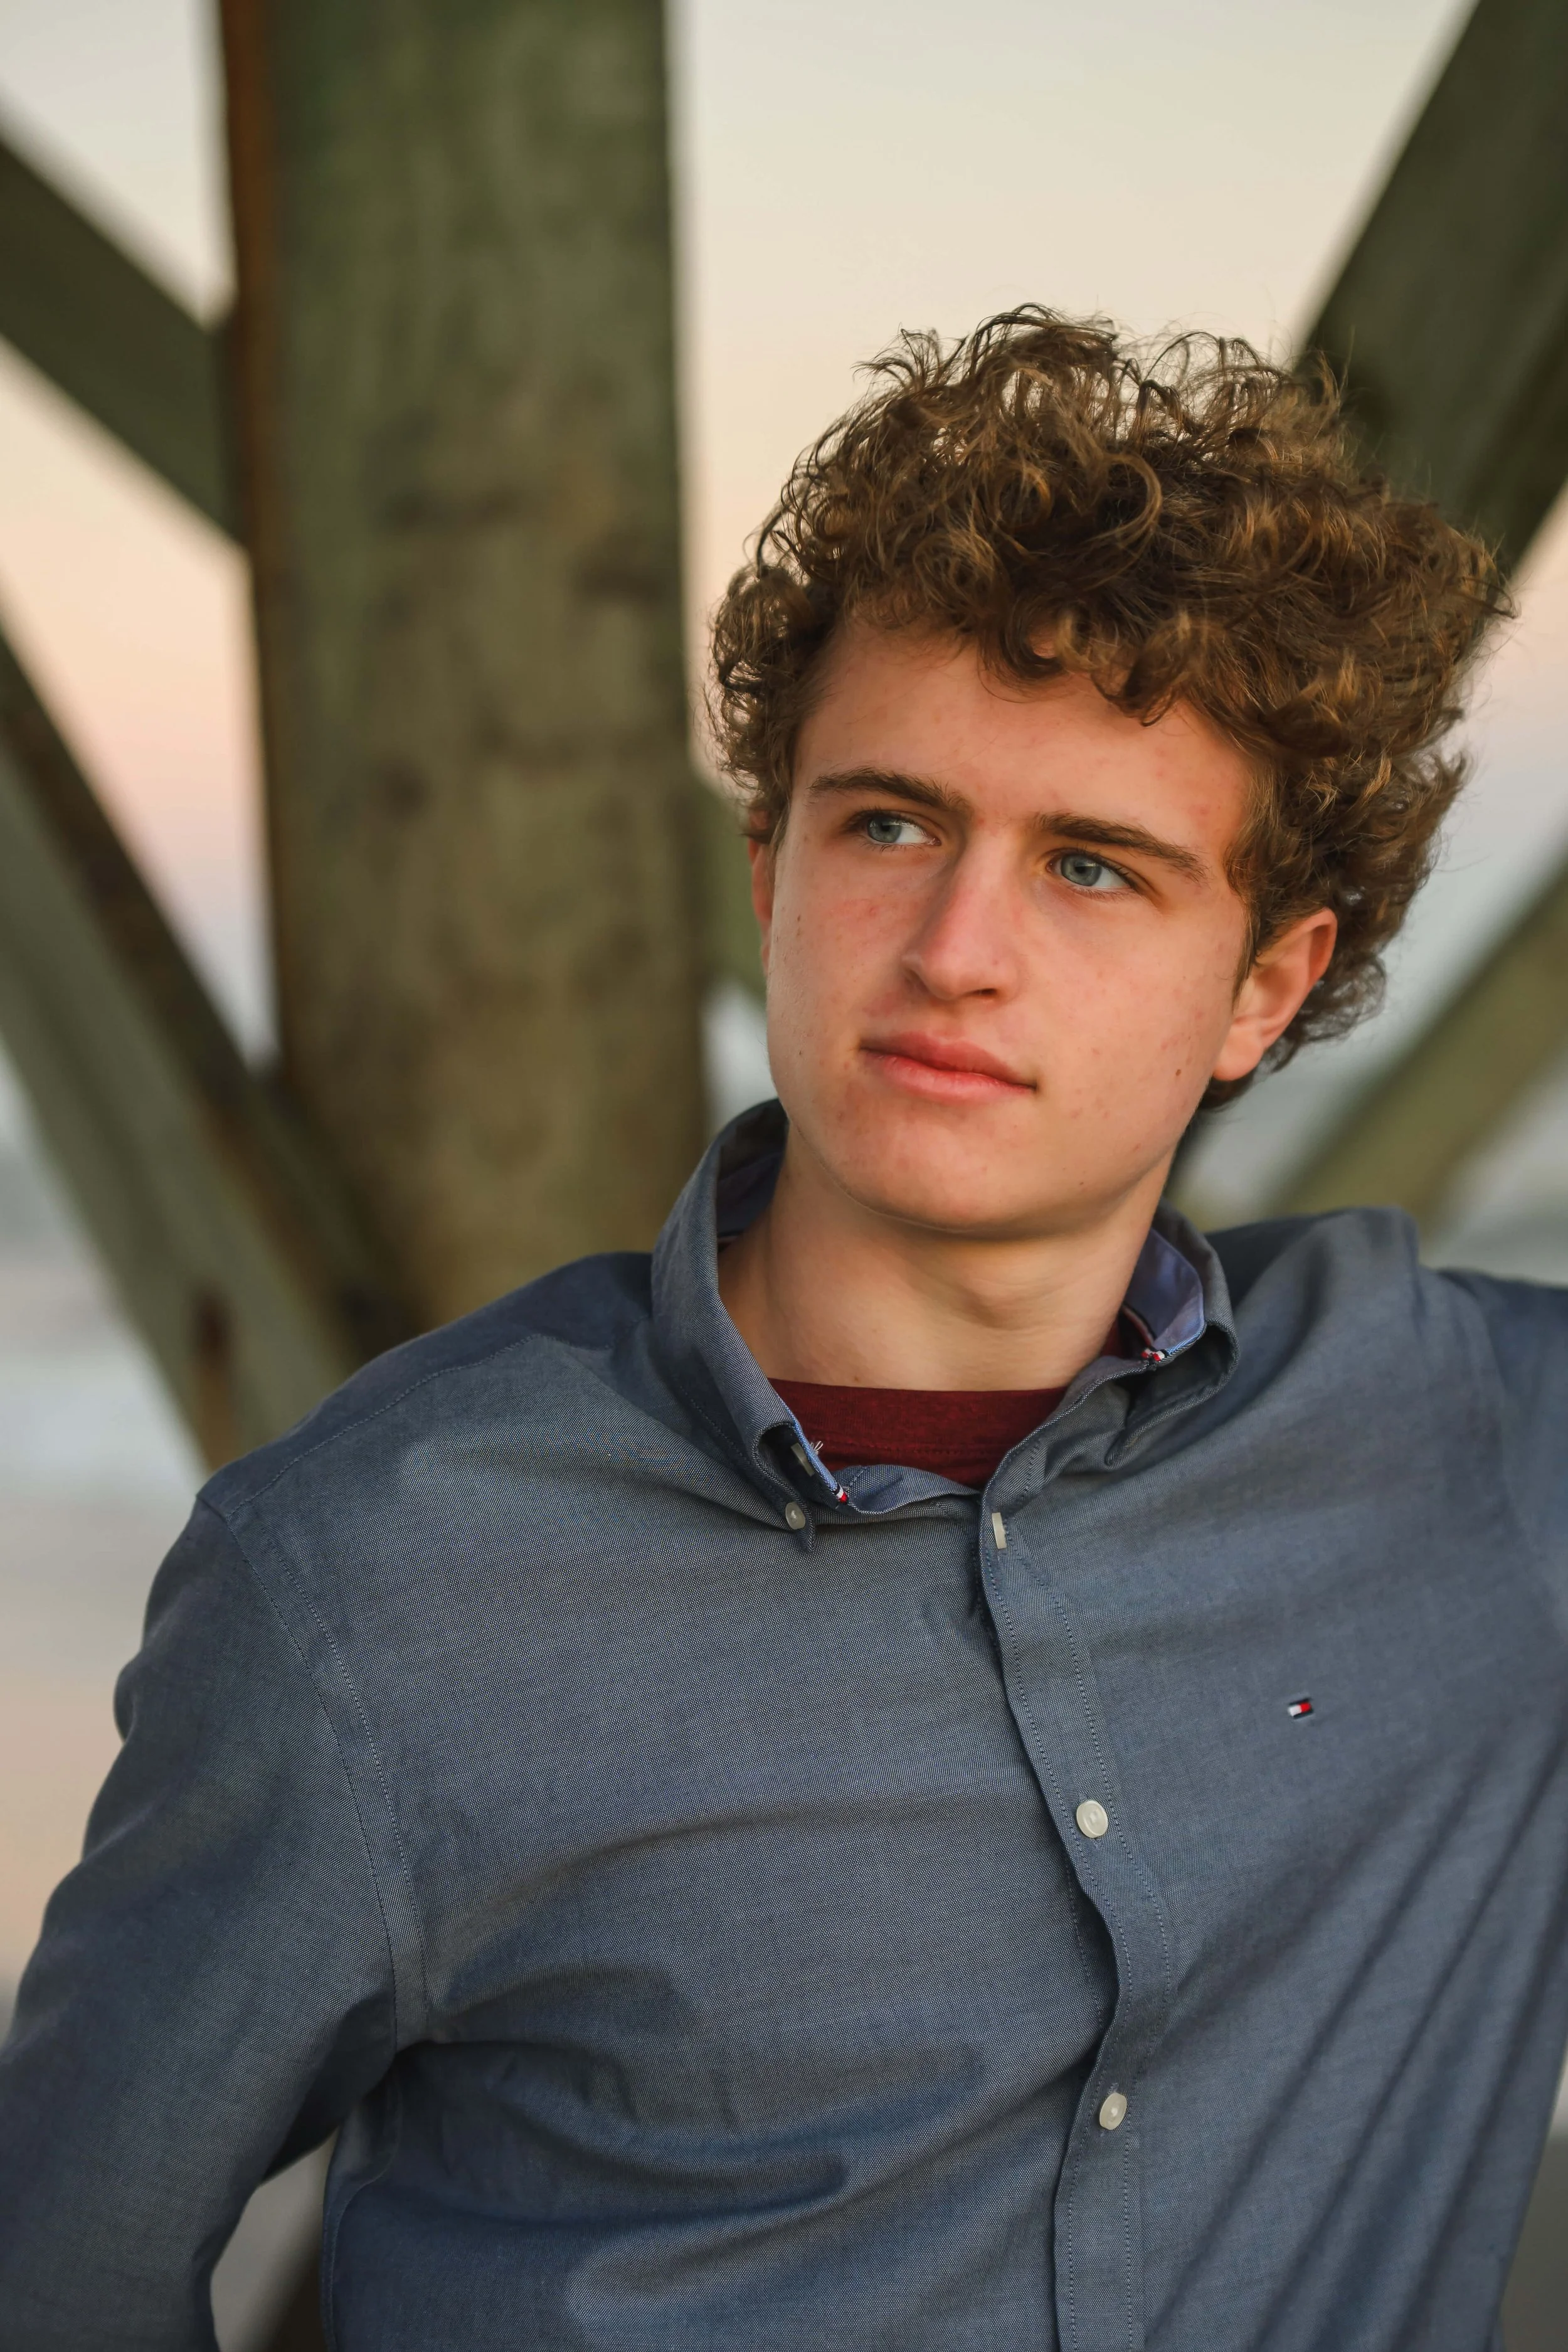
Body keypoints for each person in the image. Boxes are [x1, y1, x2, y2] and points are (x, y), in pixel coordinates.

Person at [0, 309, 1555, 2352]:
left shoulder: (1482, 1460)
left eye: (1092, 867)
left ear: (1267, 984)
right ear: (771, 858)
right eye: (889, 823)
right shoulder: (382, 1575)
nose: (953, 950)